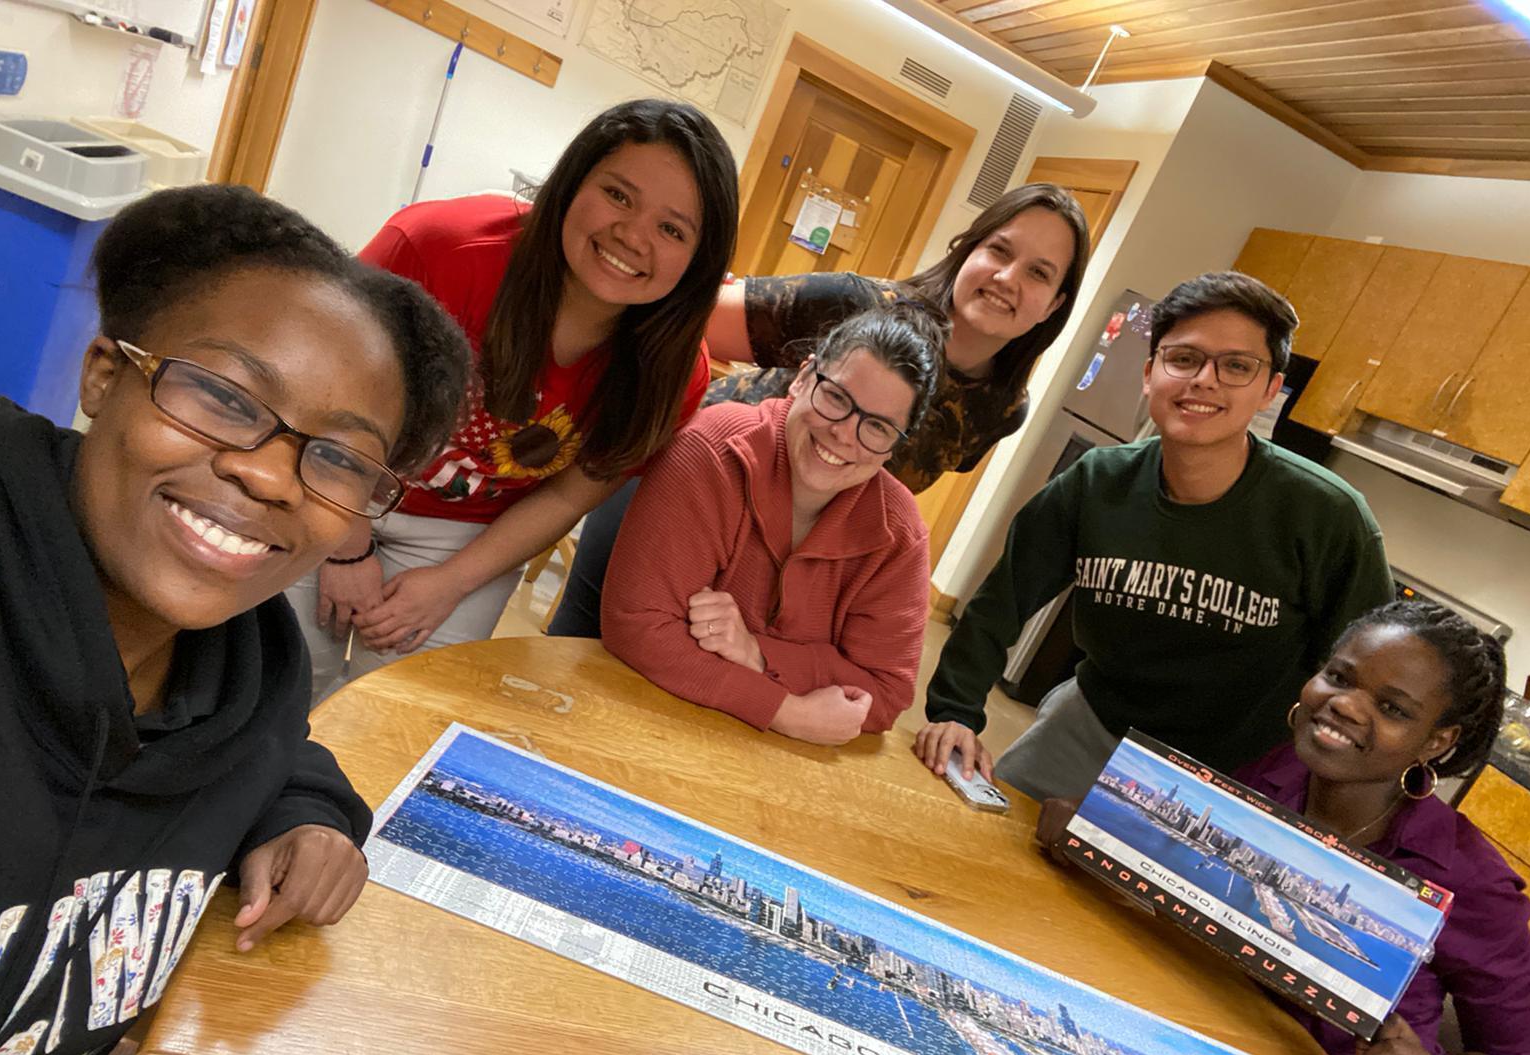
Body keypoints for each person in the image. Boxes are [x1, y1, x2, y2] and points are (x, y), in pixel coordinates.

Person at [0, 185, 469, 1055]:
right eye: (223, 396)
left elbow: (272, 746)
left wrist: (309, 813)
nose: (268, 474)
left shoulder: (250, 669)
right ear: (101, 372)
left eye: (337, 457)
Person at [1038, 600, 1530, 1055]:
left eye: (1391, 708)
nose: (1345, 704)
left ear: (1437, 741)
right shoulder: (1277, 773)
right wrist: (1099, 840)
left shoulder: (1469, 877)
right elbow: (1205, 903)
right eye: (1339, 676)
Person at [288, 98, 738, 700]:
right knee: (280, 677)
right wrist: (346, 548)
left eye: (672, 229)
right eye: (619, 196)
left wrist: (450, 583)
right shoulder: (437, 246)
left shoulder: (675, 371)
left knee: (404, 702)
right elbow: (318, 390)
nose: (632, 237)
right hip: (333, 481)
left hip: (471, 538)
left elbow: (572, 494)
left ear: (699, 260)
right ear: (572, 183)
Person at [916, 271, 1394, 794]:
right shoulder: (1097, 482)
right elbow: (1000, 603)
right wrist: (955, 711)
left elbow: (1366, 680)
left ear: (1269, 391)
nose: (1204, 380)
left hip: (1233, 769)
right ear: (1150, 374)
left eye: (1237, 366)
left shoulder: (1328, 516)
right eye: (1184, 358)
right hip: (1093, 723)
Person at [548, 181, 1091, 638]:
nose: (1007, 278)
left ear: (1056, 304)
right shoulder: (856, 304)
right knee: (581, 657)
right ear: (967, 250)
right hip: (669, 492)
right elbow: (679, 322)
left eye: (1039, 273)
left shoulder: (1001, 409)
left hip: (756, 568)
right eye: (999, 250)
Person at [600, 305, 943, 744]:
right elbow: (638, 625)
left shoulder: (900, 531)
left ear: (894, 446)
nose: (843, 434)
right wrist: (787, 710)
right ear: (803, 378)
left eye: (876, 426)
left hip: (770, 763)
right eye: (836, 397)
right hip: (640, 713)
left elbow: (886, 694)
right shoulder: (709, 448)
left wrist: (756, 653)